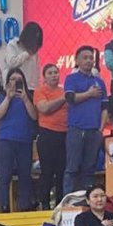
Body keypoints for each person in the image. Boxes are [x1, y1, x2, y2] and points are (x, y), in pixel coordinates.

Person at [63, 46, 110, 196]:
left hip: (94, 131)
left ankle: (87, 200)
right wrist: (89, 94)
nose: (89, 60)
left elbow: (104, 107)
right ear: (76, 60)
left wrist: (100, 129)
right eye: (85, 57)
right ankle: (69, 201)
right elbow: (70, 98)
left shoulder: (99, 82)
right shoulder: (71, 79)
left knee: (89, 169)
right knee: (72, 168)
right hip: (76, 129)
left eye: (91, 58)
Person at [0, 68, 39, 213]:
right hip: (6, 139)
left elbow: (34, 116)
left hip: (24, 140)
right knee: (5, 174)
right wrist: (8, 97)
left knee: (25, 174)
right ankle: (4, 206)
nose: (15, 82)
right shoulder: (2, 96)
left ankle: (24, 205)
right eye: (12, 79)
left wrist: (25, 99)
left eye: (18, 80)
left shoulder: (29, 96)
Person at [34, 64, 68, 208]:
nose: (54, 75)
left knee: (62, 170)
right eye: (50, 73)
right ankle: (45, 203)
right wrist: (63, 99)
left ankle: (60, 203)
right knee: (47, 171)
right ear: (44, 77)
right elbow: (44, 108)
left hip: (64, 134)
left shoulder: (64, 91)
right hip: (47, 133)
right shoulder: (40, 91)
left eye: (56, 72)